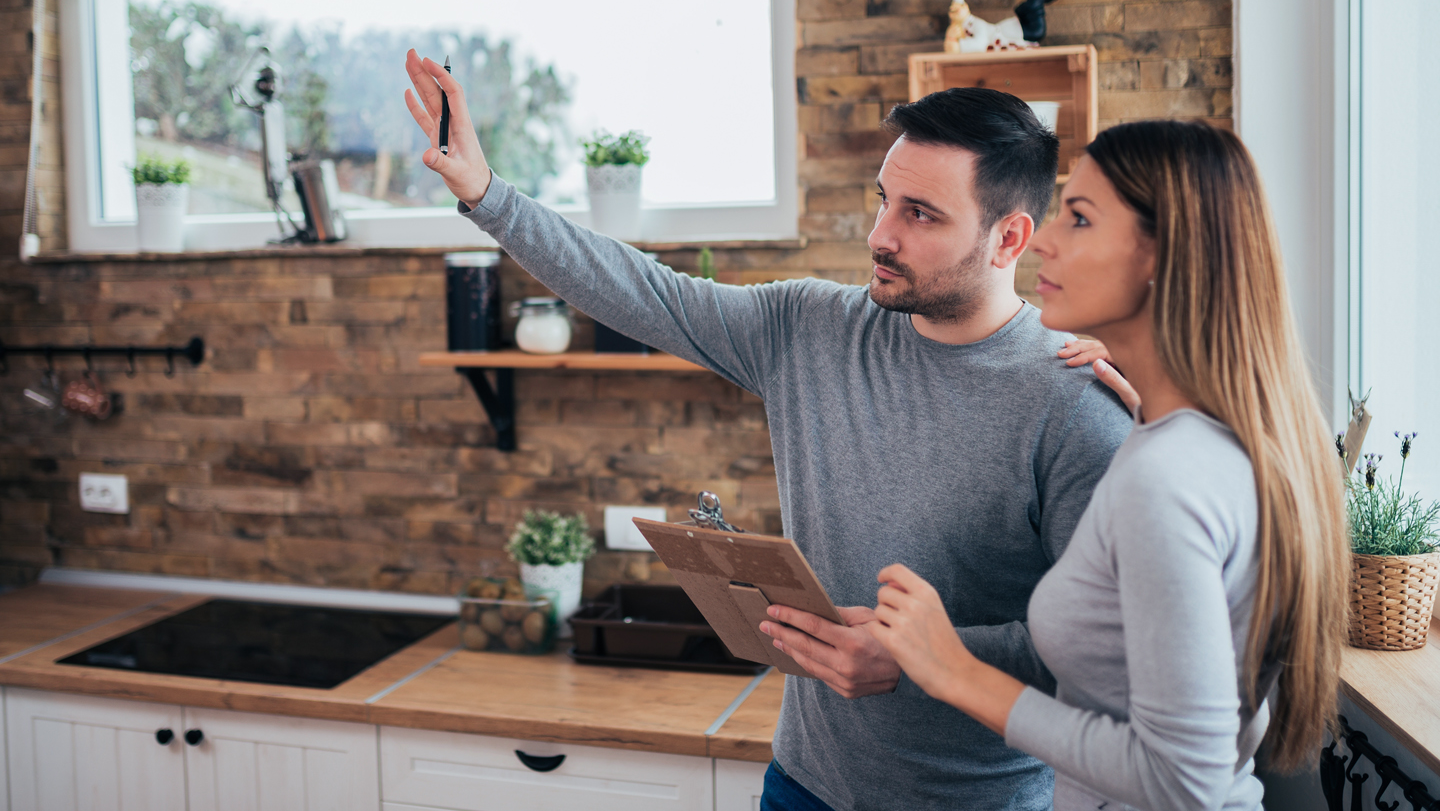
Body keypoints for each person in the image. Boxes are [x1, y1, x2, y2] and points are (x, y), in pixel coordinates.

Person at [402, 50, 1133, 811]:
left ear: (1009, 240)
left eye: (920, 215)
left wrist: (918, 655)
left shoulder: (1076, 402)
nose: (881, 234)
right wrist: (486, 194)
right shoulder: (809, 327)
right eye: (884, 200)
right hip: (803, 785)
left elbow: (1104, 654)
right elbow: (643, 292)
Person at [871, 121, 1349, 811]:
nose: (1043, 239)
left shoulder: (1169, 481)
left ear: (1164, 255)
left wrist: (953, 671)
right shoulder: (1203, 442)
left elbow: (1185, 779)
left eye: (1081, 218)